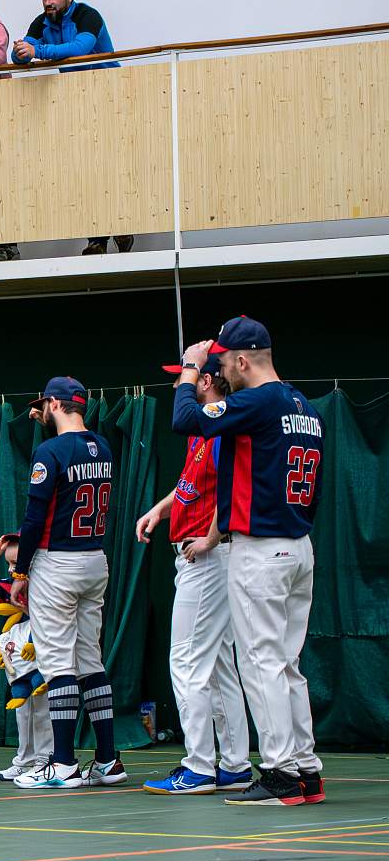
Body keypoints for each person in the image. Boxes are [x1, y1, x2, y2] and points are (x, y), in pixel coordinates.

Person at [173, 316, 326, 807]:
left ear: (241, 360)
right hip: (299, 545)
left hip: (262, 548)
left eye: (223, 363)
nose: (220, 371)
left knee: (261, 663)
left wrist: (190, 369)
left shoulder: (259, 400)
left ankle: (280, 772)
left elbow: (186, 419)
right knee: (287, 664)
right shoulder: (305, 406)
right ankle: (306, 769)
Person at [136, 356, 254, 796]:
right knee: (219, 664)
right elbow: (191, 485)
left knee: (186, 661)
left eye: (184, 378)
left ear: (205, 381)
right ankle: (236, 765)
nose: (178, 388)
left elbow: (232, 486)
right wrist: (160, 509)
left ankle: (199, 766)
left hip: (208, 558)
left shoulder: (219, 430)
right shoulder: (202, 433)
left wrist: (211, 537)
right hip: (207, 555)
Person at [10, 377, 126, 790]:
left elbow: (35, 515)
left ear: (55, 403)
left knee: (58, 664)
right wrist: (48, 423)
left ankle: (62, 764)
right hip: (94, 558)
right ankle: (108, 760)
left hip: (57, 561)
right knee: (90, 660)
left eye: (46, 404)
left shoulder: (50, 451)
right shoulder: (102, 446)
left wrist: (20, 571)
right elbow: (70, 461)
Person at [0, 0, 131, 260]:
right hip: (76, 99)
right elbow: (18, 55)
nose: (48, 2)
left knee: (110, 165)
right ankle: (98, 237)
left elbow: (81, 48)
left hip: (109, 95)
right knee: (84, 168)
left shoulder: (88, 15)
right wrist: (22, 51)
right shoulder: (42, 21)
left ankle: (122, 225)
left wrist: (38, 50)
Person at [0, 533, 50, 782]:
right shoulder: (10, 585)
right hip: (20, 657)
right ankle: (23, 760)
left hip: (44, 651)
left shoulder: (48, 586)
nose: (10, 569)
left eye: (15, 563)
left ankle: (45, 760)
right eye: (8, 563)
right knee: (23, 711)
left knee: (43, 711)